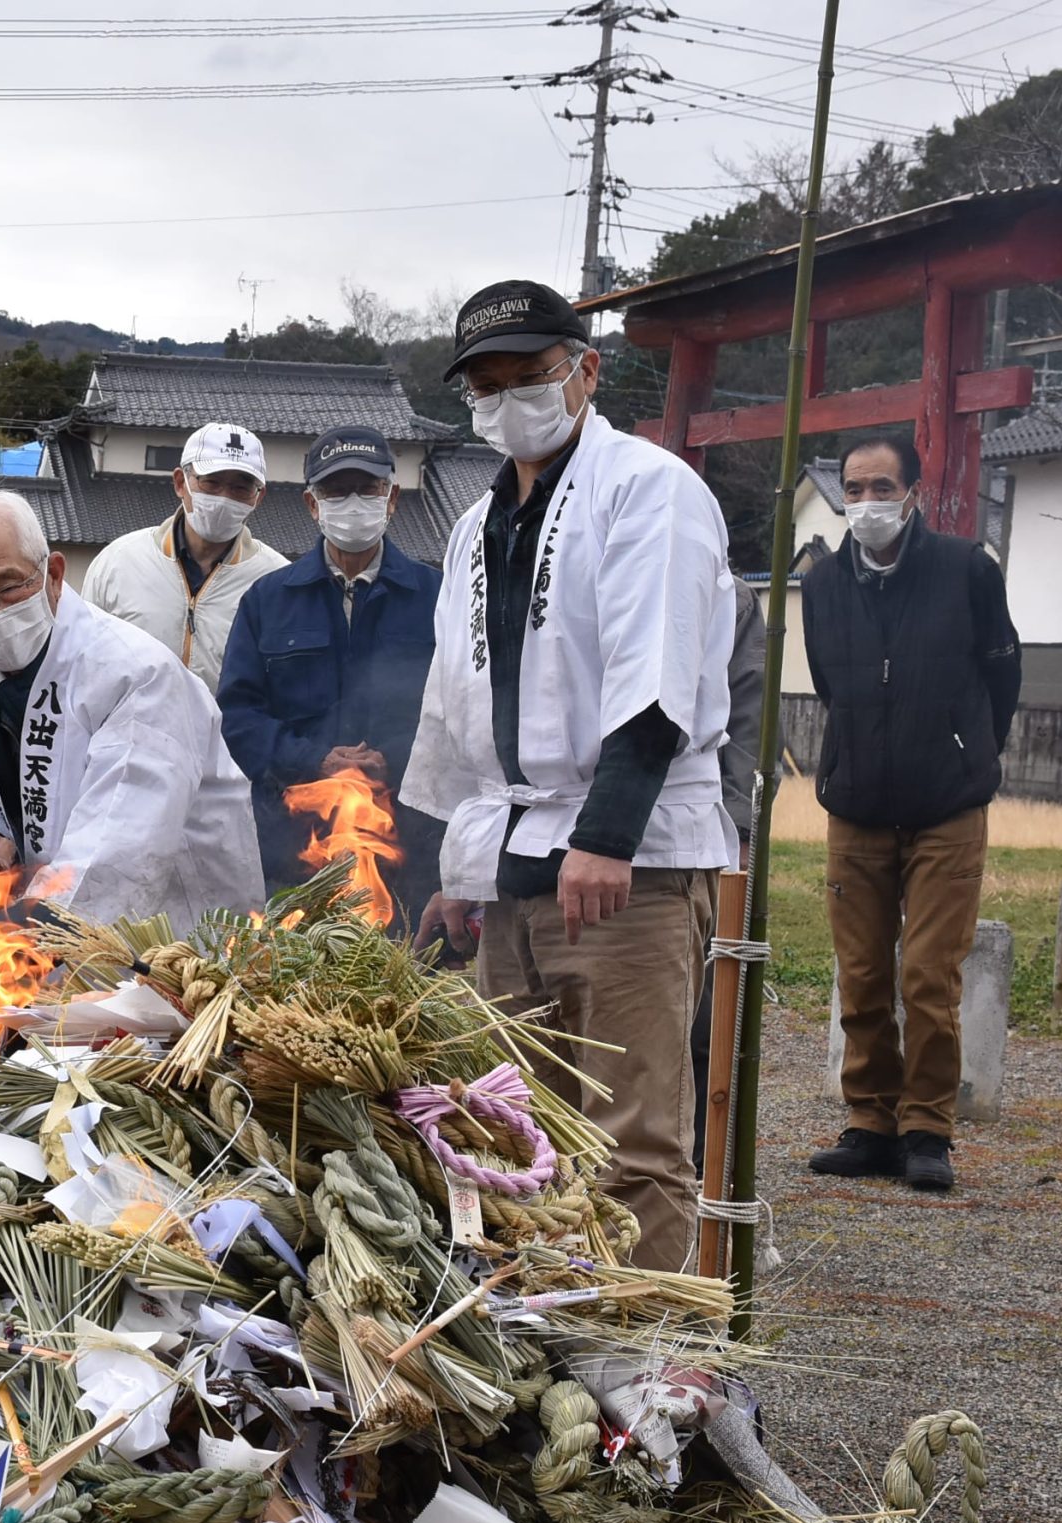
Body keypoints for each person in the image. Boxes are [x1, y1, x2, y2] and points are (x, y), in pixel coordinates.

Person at [401, 281, 737, 1273]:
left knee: (630, 1136)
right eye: (486, 386)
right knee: (523, 1127)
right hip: (511, 856)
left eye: (529, 376)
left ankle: (646, 1361)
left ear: (584, 371)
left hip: (622, 862)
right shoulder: (474, 525)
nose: (507, 401)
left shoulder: (649, 489)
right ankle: (553, 1341)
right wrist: (457, 869)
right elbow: (453, 711)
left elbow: (657, 675)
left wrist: (606, 833)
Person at [802, 430, 1019, 1195]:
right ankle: (869, 1122)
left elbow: (1002, 672)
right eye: (853, 489)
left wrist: (970, 754)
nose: (866, 503)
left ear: (915, 493)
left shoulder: (965, 570)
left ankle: (926, 1127)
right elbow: (830, 681)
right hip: (857, 802)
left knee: (929, 974)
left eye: (881, 488)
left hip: (946, 806)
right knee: (860, 972)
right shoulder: (823, 583)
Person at [0, 490, 265, 928]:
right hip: (42, 927)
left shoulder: (135, 673)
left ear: (54, 574)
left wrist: (23, 946)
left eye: (9, 587)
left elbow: (120, 849)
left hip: (173, 929)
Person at [217, 425, 444, 915]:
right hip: (294, 846)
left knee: (407, 983)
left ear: (392, 497)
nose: (354, 501)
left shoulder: (438, 597)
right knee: (290, 981)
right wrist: (316, 760)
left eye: (368, 488)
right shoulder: (268, 601)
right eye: (337, 490)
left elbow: (461, 713)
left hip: (407, 846)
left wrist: (392, 760)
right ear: (312, 503)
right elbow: (239, 718)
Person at [79, 422, 289, 692]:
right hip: (129, 731)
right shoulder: (119, 561)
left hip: (227, 735)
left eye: (240, 488)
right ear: (180, 482)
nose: (224, 498)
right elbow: (82, 660)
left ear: (258, 498)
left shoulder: (278, 582)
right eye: (211, 482)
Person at [688, 576, 766, 1172]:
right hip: (572, 840)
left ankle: (702, 1169)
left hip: (700, 835)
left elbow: (751, 719)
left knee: (704, 1021)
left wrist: (737, 829)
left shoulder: (726, 595)